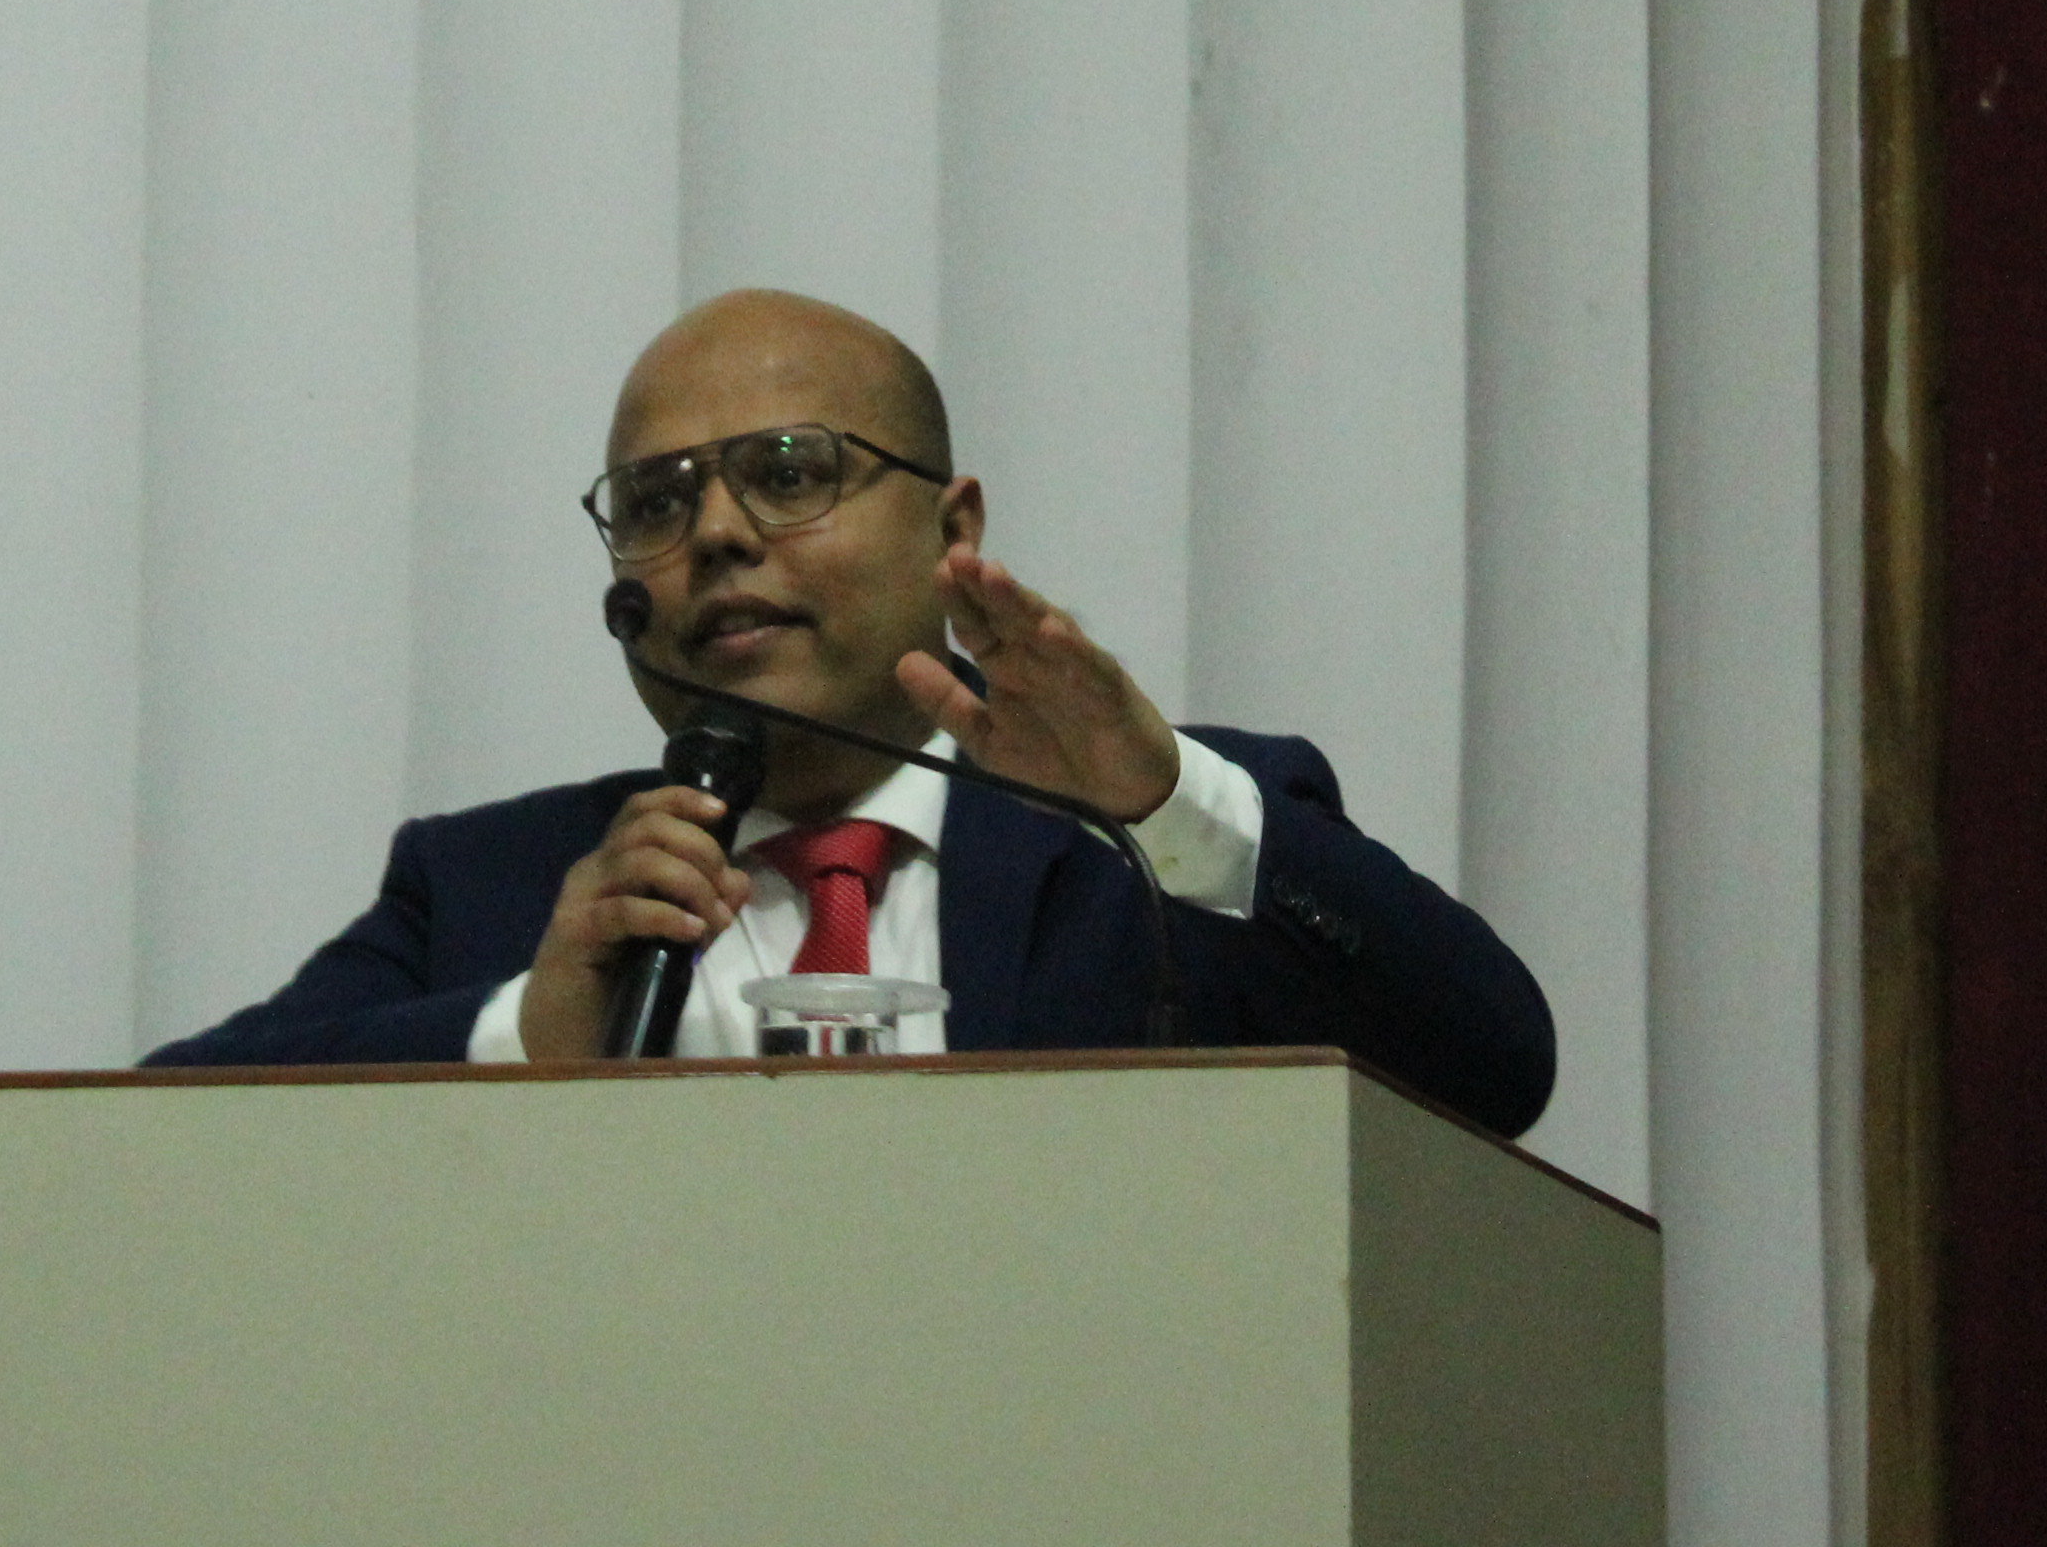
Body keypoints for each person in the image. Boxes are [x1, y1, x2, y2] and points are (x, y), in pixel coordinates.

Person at [142, 287, 1558, 1137]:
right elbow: (159, 1141)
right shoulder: (495, 889)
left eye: (788, 472)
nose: (716, 535)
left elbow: (1493, 1067)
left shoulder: (1149, 849)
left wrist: (1165, 803)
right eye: (656, 502)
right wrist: (534, 1032)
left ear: (954, 525)